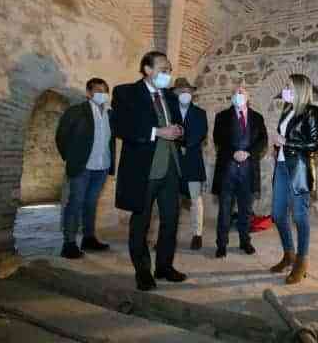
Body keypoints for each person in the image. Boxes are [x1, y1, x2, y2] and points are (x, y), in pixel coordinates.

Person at [111, 51, 186, 291]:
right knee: (141, 223)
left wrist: (179, 131)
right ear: (147, 69)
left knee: (171, 220)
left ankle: (164, 266)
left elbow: (179, 124)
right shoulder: (126, 93)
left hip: (170, 167)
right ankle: (142, 271)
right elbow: (121, 126)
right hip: (144, 168)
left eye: (169, 70)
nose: (167, 74)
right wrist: (157, 132)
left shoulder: (170, 97)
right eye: (163, 69)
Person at [270, 74, 318, 284]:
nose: (285, 89)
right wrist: (277, 144)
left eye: (289, 86)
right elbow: (283, 137)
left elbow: (315, 144)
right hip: (282, 167)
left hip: (299, 169)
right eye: (285, 86)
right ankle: (289, 254)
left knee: (300, 217)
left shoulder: (311, 111)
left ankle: (302, 261)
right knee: (277, 214)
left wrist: (286, 142)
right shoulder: (286, 110)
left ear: (300, 90)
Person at [56, 77, 115, 259]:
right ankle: (69, 243)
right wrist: (72, 158)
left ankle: (88, 239)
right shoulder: (76, 111)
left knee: (91, 203)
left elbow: (110, 140)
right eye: (98, 90)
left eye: (105, 91)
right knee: (75, 202)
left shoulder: (110, 114)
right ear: (88, 93)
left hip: (102, 165)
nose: (102, 94)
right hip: (82, 166)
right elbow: (61, 136)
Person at [212, 84, 267, 258]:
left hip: (248, 170)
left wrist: (248, 152)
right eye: (236, 93)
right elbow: (218, 139)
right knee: (224, 210)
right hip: (227, 171)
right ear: (232, 97)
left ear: (248, 97)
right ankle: (221, 244)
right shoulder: (222, 116)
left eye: (242, 92)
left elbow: (263, 140)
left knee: (246, 210)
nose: (239, 95)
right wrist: (233, 153)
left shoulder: (257, 117)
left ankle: (245, 241)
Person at [172, 77, 208, 250]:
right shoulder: (169, 111)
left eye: (187, 90)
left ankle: (197, 234)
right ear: (175, 93)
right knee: (171, 201)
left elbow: (200, 133)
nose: (184, 93)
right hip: (173, 161)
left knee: (195, 199)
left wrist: (184, 144)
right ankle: (168, 236)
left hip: (192, 161)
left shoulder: (200, 113)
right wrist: (179, 145)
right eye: (181, 90)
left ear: (192, 93)